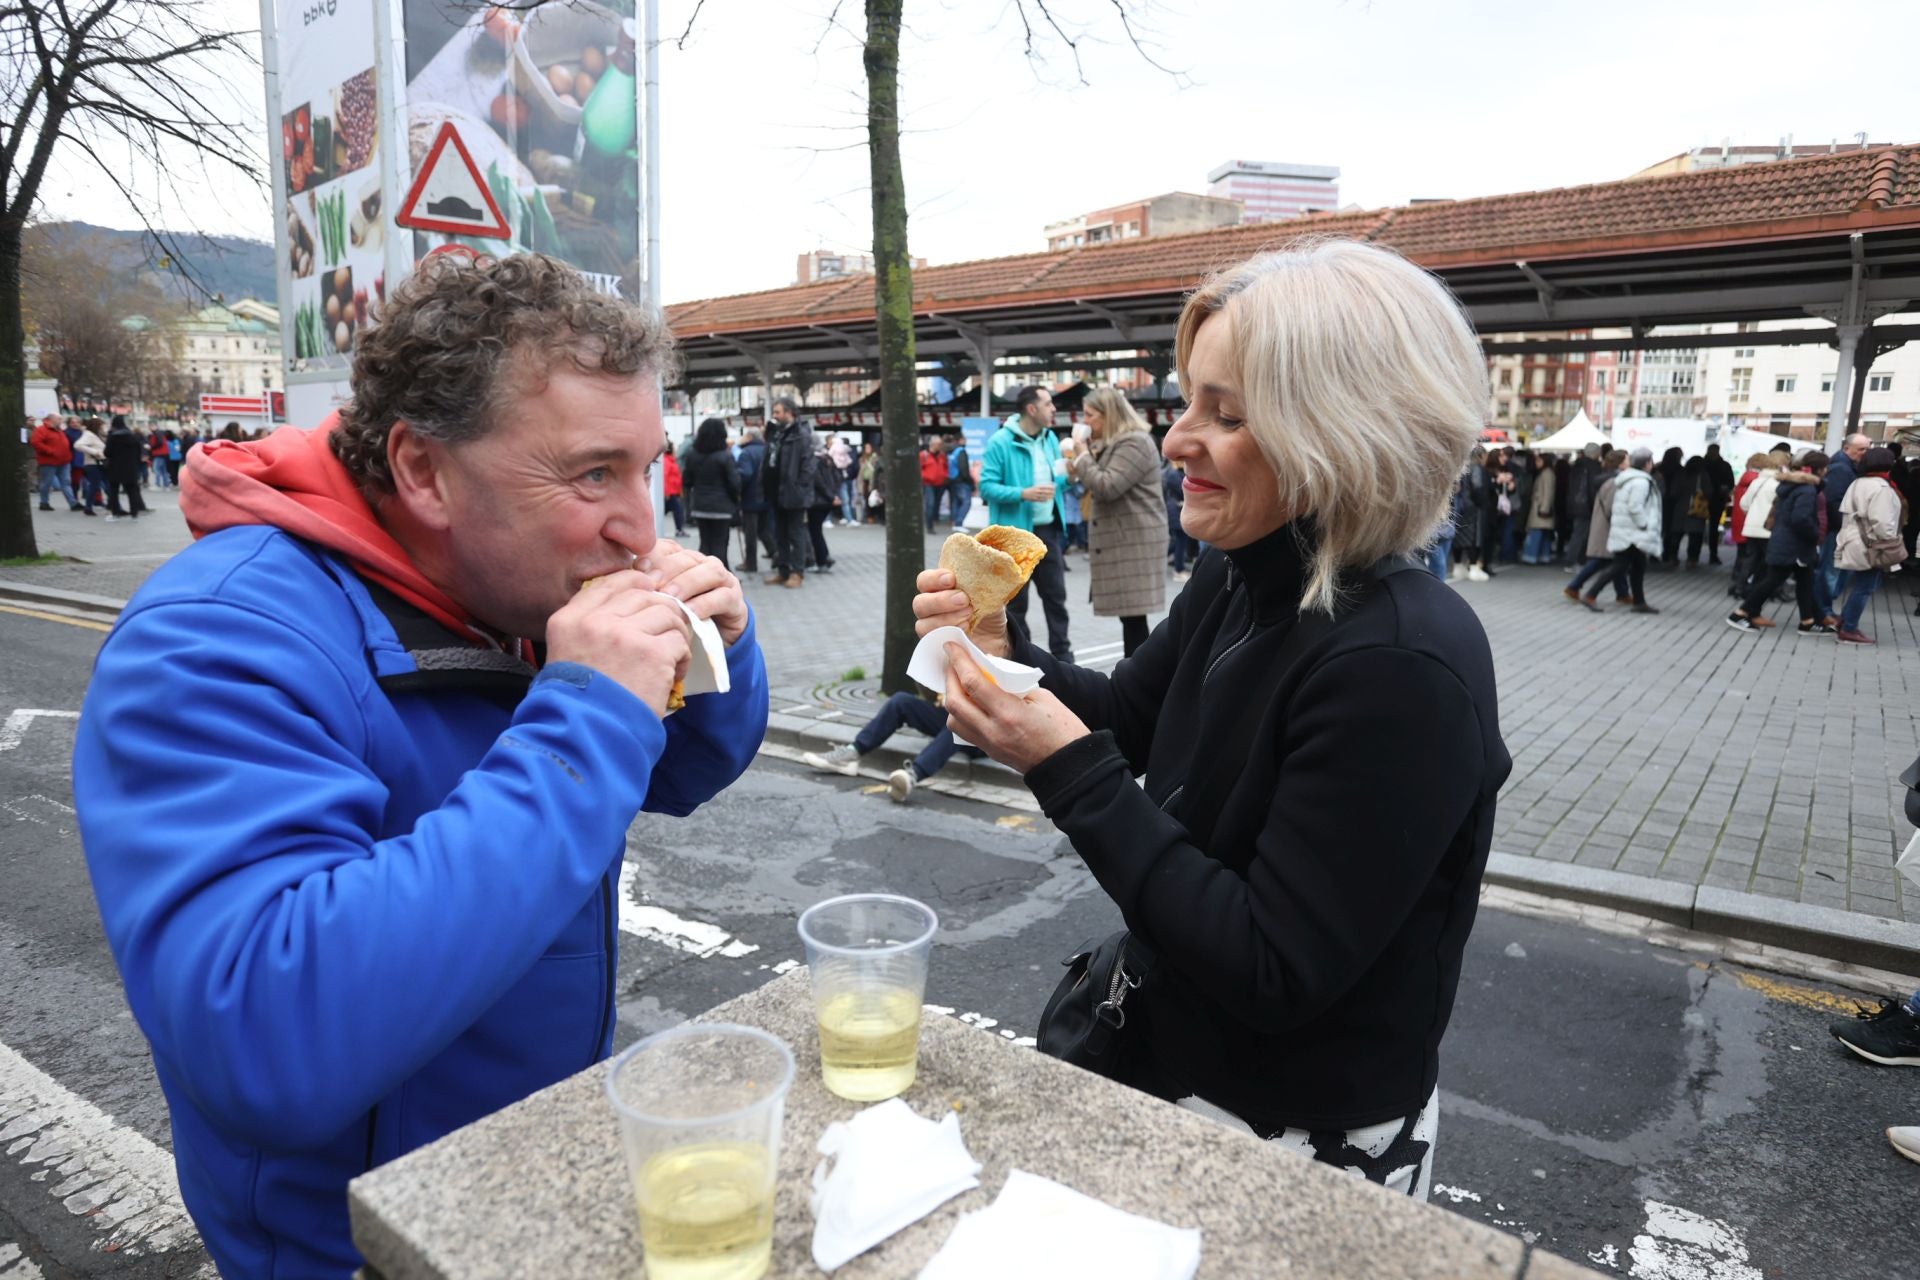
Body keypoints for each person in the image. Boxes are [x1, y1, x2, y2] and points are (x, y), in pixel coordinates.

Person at [71, 252, 768, 1278]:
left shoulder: (508, 581)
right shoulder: (212, 638)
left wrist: (721, 648)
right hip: (353, 1241)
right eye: (590, 473)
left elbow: (678, 770)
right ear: (423, 470)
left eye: (643, 466)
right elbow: (263, 1033)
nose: (640, 525)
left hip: (534, 1172)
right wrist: (584, 716)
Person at [914, 241, 1506, 1201]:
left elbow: (1276, 968)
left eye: (1226, 414)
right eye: (1189, 400)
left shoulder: (1405, 664)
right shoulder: (1242, 571)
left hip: (1296, 1131)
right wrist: (999, 646)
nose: (1178, 437)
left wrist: (1066, 770)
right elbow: (1126, 717)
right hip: (1163, 1058)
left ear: (1343, 432)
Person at [1066, 387, 1168, 657]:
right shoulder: (1116, 443)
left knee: (1134, 617)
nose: (1085, 421)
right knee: (1131, 617)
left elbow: (1107, 485)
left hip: (1134, 541)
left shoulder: (1135, 442)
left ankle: (1139, 676)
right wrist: (1077, 463)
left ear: (1108, 414)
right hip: (1126, 540)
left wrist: (1082, 455)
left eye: (1090, 415)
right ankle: (1136, 674)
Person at [980, 385, 1073, 661]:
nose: (1054, 409)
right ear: (1031, 409)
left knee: (1056, 598)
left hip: (1048, 532)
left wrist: (1073, 475)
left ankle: (1064, 659)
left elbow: (1060, 482)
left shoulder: (1051, 440)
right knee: (1016, 605)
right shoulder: (1000, 442)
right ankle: (1025, 661)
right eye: (1048, 404)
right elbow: (986, 487)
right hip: (1014, 537)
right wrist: (1023, 494)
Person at [799, 693, 985, 803]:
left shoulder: (1009, 641)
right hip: (953, 712)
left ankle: (912, 776)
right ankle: (852, 754)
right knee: (900, 701)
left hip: (986, 732)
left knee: (959, 724)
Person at [1726, 451, 1831, 635]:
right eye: (1825, 468)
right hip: (1794, 544)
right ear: (1820, 470)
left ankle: (1808, 620)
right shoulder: (1807, 490)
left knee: (1804, 580)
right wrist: (1815, 534)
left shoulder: (1791, 486)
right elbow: (1801, 519)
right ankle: (1741, 613)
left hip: (1786, 540)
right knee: (1772, 580)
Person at [1832, 446, 1905, 644]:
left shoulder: (1858, 483)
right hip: (1872, 544)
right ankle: (1849, 628)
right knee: (1865, 587)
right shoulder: (1881, 488)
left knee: (1861, 585)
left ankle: (1844, 622)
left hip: (1853, 540)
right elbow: (1882, 522)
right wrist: (1891, 541)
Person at [1598, 447, 1661, 613]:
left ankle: (1639, 602)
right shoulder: (1640, 482)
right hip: (1632, 533)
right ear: (1647, 463)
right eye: (1651, 461)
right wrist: (1644, 524)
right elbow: (1635, 506)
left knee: (1637, 566)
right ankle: (1590, 594)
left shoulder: (1629, 479)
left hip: (1627, 530)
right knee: (1620, 566)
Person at [1569, 450, 1633, 609]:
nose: (1629, 462)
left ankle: (1622, 593)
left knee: (1614, 561)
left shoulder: (1607, 478)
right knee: (1603, 559)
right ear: (1620, 463)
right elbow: (1613, 507)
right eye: (1627, 459)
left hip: (1603, 524)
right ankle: (1575, 586)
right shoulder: (1614, 481)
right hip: (1608, 526)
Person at [1818, 432, 1871, 626]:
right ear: (1847, 448)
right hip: (1837, 529)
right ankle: (1823, 611)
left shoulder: (1846, 465)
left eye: (1867, 449)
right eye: (1861, 449)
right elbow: (1834, 501)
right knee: (1830, 572)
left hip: (1837, 527)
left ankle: (1824, 609)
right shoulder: (1842, 468)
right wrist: (1844, 527)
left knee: (1833, 571)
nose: (1865, 453)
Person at [764, 396, 816, 588]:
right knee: (780, 534)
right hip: (777, 493)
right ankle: (783, 570)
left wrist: (799, 487)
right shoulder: (778, 434)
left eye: (778, 412)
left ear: (789, 413)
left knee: (796, 533)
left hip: (794, 494)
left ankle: (797, 572)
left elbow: (809, 467)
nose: (775, 416)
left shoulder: (801, 435)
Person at [684, 417, 740, 569]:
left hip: (700, 506)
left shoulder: (692, 455)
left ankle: (704, 576)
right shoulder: (725, 456)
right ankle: (721, 576)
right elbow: (734, 483)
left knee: (705, 542)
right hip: (722, 507)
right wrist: (736, 500)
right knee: (720, 543)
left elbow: (687, 481)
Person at [31, 412, 84, 512]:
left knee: (66, 482)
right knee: (46, 483)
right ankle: (44, 502)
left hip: (64, 461)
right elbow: (36, 443)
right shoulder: (41, 430)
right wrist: (50, 451)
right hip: (49, 461)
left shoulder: (59, 430)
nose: (61, 421)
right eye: (59, 419)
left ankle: (73, 503)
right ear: (52, 419)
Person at [734, 426, 769, 575]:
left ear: (749, 437)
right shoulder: (766, 450)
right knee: (764, 529)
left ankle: (751, 563)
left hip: (751, 497)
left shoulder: (747, 452)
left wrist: (737, 487)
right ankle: (775, 553)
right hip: (765, 497)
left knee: (750, 533)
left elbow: (745, 474)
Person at [1564, 443, 1603, 574]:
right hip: (1586, 505)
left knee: (1578, 533)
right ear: (1595, 453)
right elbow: (1593, 488)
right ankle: (1574, 561)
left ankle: (1574, 561)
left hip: (1575, 504)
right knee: (1581, 534)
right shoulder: (1593, 467)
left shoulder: (1576, 465)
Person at [806, 435, 837, 572]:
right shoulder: (827, 457)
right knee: (816, 530)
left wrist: (830, 496)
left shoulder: (813, 459)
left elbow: (817, 481)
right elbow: (837, 477)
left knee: (815, 531)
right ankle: (824, 557)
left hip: (817, 501)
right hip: (826, 501)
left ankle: (822, 560)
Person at [1702, 444, 1734, 566]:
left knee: (1710, 528)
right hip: (1715, 499)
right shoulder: (1724, 466)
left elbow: (1730, 483)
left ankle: (1708, 554)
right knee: (1712, 527)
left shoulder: (1703, 465)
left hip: (1709, 500)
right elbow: (1731, 482)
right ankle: (1712, 555)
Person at [1520, 450, 1555, 564]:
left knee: (1537, 533)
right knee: (1543, 534)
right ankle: (1543, 556)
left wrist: (1544, 508)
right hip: (1541, 507)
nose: (1536, 463)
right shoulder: (1546, 473)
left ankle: (1531, 556)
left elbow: (1548, 492)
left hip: (1540, 508)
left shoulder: (1547, 474)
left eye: (1539, 460)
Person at [1163, 457, 1194, 579]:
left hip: (1175, 509)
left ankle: (1177, 565)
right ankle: (1178, 569)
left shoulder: (1173, 472)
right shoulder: (1173, 474)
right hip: (1176, 510)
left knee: (1178, 541)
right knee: (1180, 540)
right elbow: (1181, 490)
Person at [1654, 446, 1686, 566]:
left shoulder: (1658, 468)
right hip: (1675, 503)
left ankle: (1655, 553)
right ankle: (1670, 554)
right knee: (1673, 530)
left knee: (1659, 528)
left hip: (1659, 502)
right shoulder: (1681, 470)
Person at [74, 418, 108, 517]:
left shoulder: (98, 435)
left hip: (100, 463)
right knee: (95, 485)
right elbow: (78, 445)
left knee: (106, 484)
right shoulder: (88, 434)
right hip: (93, 463)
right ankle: (88, 507)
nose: (103, 427)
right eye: (102, 425)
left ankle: (114, 505)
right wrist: (94, 452)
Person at [919, 434, 949, 531]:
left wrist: (945, 476)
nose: (940, 446)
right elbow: (919, 468)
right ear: (933, 444)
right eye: (939, 444)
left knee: (936, 503)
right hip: (928, 483)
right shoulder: (924, 455)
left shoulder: (942, 456)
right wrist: (924, 476)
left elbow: (945, 467)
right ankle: (929, 525)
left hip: (940, 483)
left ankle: (932, 519)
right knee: (930, 503)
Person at [946, 434, 973, 529]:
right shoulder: (961, 451)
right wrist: (970, 482)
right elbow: (964, 468)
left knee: (956, 502)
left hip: (953, 480)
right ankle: (959, 523)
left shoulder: (952, 451)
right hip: (962, 481)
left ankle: (955, 522)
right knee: (966, 502)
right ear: (961, 440)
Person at [828, 432, 856, 526]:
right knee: (831, 499)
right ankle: (828, 520)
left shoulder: (838, 453)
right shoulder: (827, 454)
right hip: (832, 479)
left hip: (840, 478)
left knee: (845, 499)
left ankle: (848, 519)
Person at [660, 446, 686, 536]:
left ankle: (679, 529)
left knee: (676, 510)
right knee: (678, 510)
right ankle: (679, 529)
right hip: (670, 492)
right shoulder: (667, 461)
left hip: (674, 490)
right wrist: (666, 491)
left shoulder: (671, 460)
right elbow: (665, 476)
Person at [858, 441, 881, 523]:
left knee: (873, 498)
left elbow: (876, 469)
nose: (867, 449)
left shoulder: (875, 458)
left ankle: (873, 516)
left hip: (872, 480)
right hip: (864, 480)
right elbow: (860, 471)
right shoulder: (862, 459)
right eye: (866, 448)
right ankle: (869, 516)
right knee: (866, 498)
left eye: (869, 448)